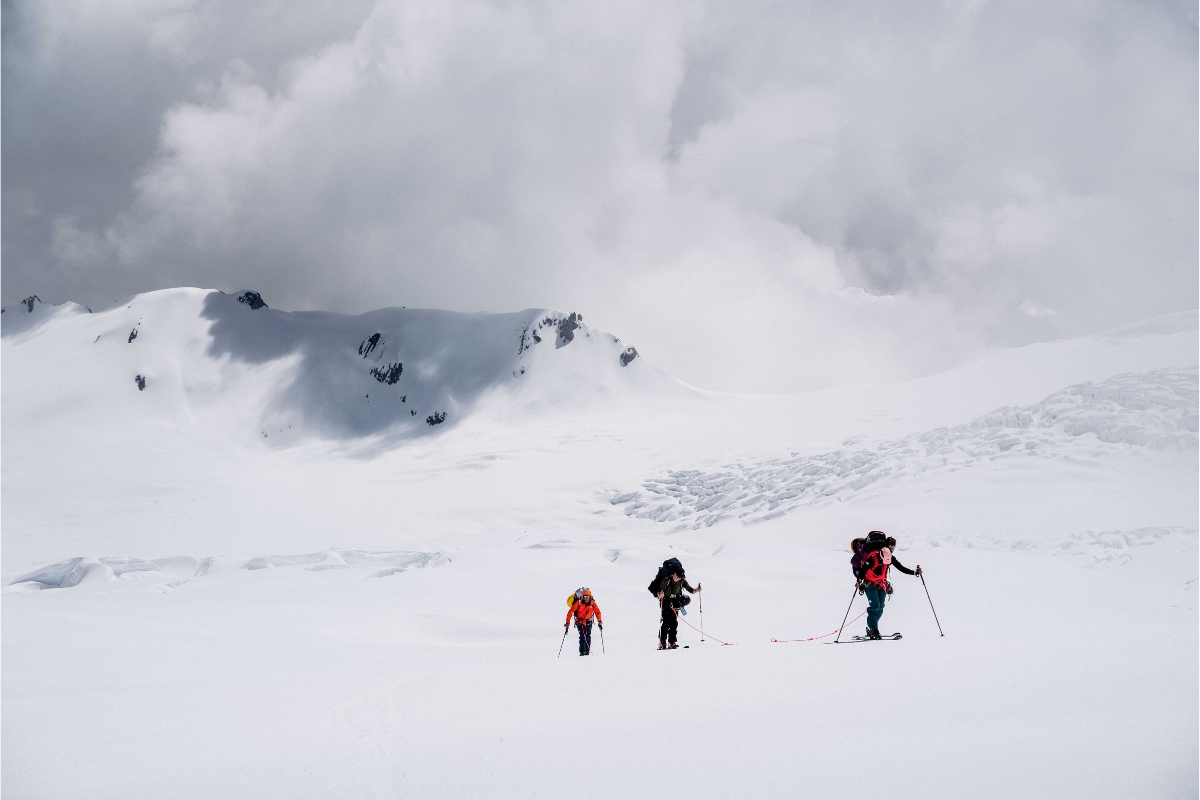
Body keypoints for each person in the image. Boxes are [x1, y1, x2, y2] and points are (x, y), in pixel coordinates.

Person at [852, 532, 921, 639]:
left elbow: (901, 567)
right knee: (875, 606)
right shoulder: (873, 558)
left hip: (882, 584)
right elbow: (863, 571)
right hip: (870, 584)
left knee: (880, 607)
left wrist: (914, 572)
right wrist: (859, 581)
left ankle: (872, 628)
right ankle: (874, 629)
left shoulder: (890, 557)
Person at [654, 570, 700, 650]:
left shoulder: (682, 581)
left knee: (674, 623)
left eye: (680, 577)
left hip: (675, 603)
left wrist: (697, 589)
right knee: (666, 622)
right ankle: (662, 641)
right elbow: (659, 591)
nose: (679, 579)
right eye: (678, 577)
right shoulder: (666, 580)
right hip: (666, 602)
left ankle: (672, 642)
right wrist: (660, 594)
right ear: (674, 574)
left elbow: (691, 590)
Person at [564, 588, 602, 656]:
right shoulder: (578, 603)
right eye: (585, 596)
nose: (586, 598)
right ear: (583, 597)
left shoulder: (593, 603)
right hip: (579, 621)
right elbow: (570, 612)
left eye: (588, 597)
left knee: (588, 636)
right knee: (583, 636)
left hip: (589, 621)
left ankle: (587, 652)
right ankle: (582, 652)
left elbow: (597, 612)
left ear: (590, 597)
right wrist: (567, 623)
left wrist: (599, 620)